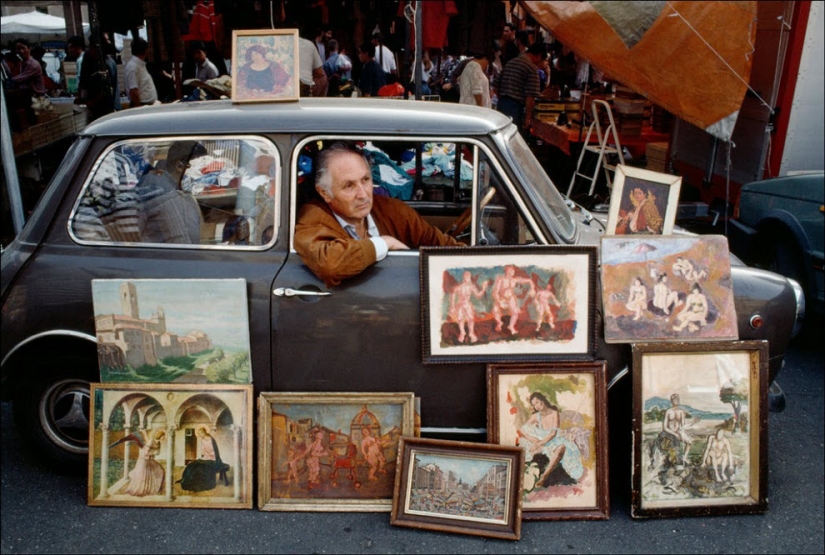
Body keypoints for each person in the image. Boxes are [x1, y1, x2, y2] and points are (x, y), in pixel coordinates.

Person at [294, 142, 463, 287]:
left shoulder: (392, 209)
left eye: (366, 180)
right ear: (324, 193)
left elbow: (441, 244)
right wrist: (384, 243)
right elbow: (330, 264)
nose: (363, 194)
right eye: (349, 186)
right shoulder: (313, 216)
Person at [519, 392, 584, 487]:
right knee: (527, 449)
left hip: (553, 440)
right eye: (534, 405)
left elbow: (553, 434)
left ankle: (544, 477)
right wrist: (533, 440)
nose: (536, 406)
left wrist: (539, 444)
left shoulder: (554, 413)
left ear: (543, 400)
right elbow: (522, 429)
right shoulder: (536, 416)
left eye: (537, 402)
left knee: (561, 449)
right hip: (541, 441)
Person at [493, 41, 545, 134]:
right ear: (539, 56)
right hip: (515, 107)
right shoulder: (531, 68)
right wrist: (528, 117)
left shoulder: (510, 63)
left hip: (501, 104)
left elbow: (496, 86)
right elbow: (530, 96)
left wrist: (503, 98)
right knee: (512, 137)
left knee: (501, 134)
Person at [177, 426, 229, 492]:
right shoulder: (203, 440)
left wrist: (208, 455)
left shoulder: (211, 440)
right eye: (199, 434)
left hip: (212, 459)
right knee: (191, 465)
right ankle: (187, 482)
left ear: (203, 432)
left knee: (201, 469)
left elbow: (215, 452)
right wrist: (203, 455)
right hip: (206, 458)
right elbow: (203, 452)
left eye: (200, 433)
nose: (200, 435)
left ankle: (199, 485)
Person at [492, 265, 536, 334]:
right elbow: (495, 292)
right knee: (495, 310)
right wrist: (499, 301)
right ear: (507, 271)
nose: (513, 272)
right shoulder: (501, 279)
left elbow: (529, 281)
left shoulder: (515, 279)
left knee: (515, 312)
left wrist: (532, 289)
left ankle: (511, 326)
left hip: (511, 297)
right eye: (511, 270)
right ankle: (499, 323)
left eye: (513, 270)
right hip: (501, 298)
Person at [450, 271, 490, 343]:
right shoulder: (459, 287)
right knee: (460, 319)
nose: (468, 278)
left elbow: (478, 295)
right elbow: (453, 295)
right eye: (466, 276)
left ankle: (471, 333)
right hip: (460, 305)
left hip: (467, 304)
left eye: (469, 277)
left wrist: (483, 288)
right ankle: (462, 333)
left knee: (471, 319)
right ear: (464, 277)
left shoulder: (471, 286)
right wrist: (452, 307)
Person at [124, 429, 166, 497]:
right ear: (160, 436)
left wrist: (153, 453)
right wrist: (153, 453)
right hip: (144, 459)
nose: (164, 438)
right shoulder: (151, 442)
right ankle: (144, 489)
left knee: (160, 470)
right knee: (144, 474)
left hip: (150, 459)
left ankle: (156, 488)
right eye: (163, 436)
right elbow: (146, 452)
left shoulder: (158, 443)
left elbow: (158, 453)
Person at [123, 37, 158, 107]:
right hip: (142, 105)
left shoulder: (140, 64)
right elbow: (133, 92)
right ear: (145, 50)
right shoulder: (133, 67)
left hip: (148, 105)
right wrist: (139, 108)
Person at [662, 394, 693, 465]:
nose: (677, 400)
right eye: (675, 399)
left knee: (689, 442)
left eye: (678, 399)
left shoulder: (681, 412)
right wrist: (675, 434)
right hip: (670, 432)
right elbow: (665, 427)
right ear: (671, 401)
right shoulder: (668, 411)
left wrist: (692, 423)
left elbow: (683, 426)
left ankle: (684, 458)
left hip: (679, 431)